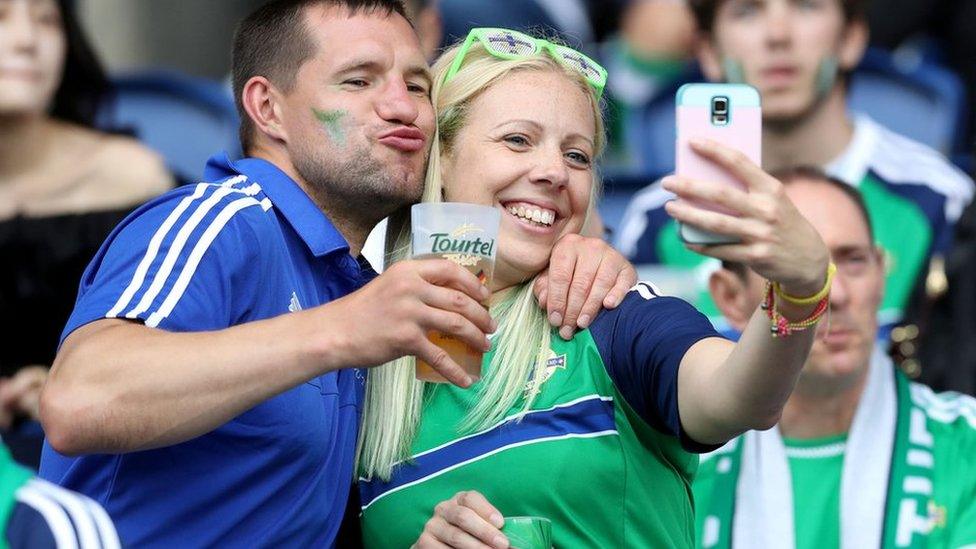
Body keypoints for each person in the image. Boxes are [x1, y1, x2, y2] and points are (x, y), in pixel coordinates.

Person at [36, 1, 636, 546]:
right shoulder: (226, 222)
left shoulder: (356, 279)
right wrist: (342, 329)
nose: (402, 107)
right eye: (359, 81)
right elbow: (77, 401)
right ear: (267, 108)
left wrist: (584, 253)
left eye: (416, 85)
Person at [355, 27, 833, 548]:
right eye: (518, 139)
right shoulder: (363, 359)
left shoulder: (605, 313)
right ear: (438, 159)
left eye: (578, 156)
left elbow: (735, 397)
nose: (554, 172)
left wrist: (800, 290)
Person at [615, 0, 974, 332]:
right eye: (747, 11)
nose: (778, 35)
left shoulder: (943, 201)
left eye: (805, 5)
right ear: (709, 51)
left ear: (851, 38)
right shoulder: (656, 218)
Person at [694, 167, 976, 549]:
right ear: (730, 298)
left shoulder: (967, 441)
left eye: (854, 260)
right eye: (793, 272)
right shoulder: (676, 471)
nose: (836, 294)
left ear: (881, 273)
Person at [0, 0, 173, 467]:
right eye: (0, 17)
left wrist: (70, 384)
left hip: (103, 460)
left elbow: (187, 336)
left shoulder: (135, 178)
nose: (26, 40)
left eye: (46, 20)